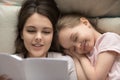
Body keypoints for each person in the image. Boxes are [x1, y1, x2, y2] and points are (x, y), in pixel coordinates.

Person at [0, 0, 77, 80]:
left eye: (46, 32)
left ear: (53, 35)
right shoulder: (8, 64)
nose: (38, 37)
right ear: (21, 34)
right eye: (31, 31)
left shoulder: (66, 63)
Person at [56, 13, 120, 80]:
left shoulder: (108, 39)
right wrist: (75, 58)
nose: (78, 46)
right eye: (74, 49)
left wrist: (81, 58)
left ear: (85, 23)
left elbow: (97, 78)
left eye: (75, 38)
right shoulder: (87, 57)